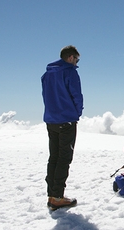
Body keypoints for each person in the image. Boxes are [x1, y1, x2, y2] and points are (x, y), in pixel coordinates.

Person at [41, 45, 83, 211]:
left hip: (51, 121)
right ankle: (57, 197)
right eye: (77, 60)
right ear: (71, 57)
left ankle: (52, 194)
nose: (76, 63)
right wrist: (76, 113)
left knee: (54, 157)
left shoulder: (46, 74)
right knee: (64, 158)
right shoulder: (70, 72)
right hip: (66, 121)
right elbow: (77, 95)